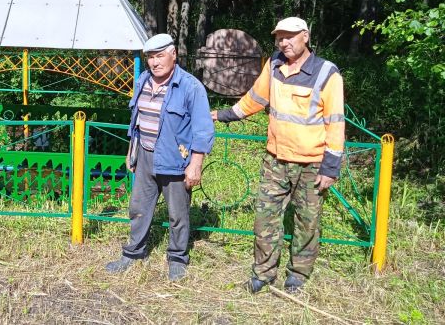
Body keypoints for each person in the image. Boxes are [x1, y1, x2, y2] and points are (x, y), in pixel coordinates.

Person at [211, 17, 345, 293]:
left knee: (307, 221)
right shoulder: (273, 65)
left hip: (312, 163)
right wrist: (223, 115)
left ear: (305, 36)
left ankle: (298, 274)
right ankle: (263, 272)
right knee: (265, 217)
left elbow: (335, 122)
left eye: (290, 36)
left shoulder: (326, 73)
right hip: (276, 159)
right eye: (279, 37)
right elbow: (256, 99)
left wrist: (330, 168)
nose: (284, 42)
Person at [105, 33, 215, 281]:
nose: (154, 63)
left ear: (173, 54)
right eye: (150, 58)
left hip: (175, 159)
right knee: (138, 208)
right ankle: (134, 253)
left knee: (178, 213)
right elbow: (137, 121)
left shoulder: (190, 87)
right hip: (144, 154)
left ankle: (177, 258)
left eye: (159, 56)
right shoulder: (143, 79)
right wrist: (131, 150)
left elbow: (202, 129)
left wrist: (195, 165)